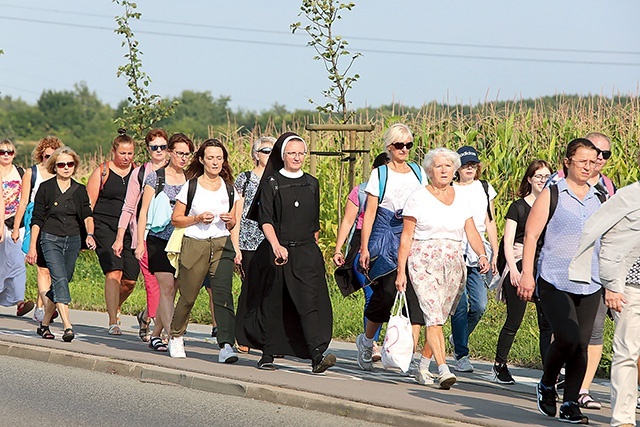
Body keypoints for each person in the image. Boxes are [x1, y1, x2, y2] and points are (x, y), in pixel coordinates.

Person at [518, 138, 603, 424]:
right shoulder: (552, 194)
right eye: (582, 161)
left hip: (590, 280)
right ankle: (547, 382)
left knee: (580, 344)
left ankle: (570, 403)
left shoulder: (598, 197)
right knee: (566, 335)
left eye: (592, 162)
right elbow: (531, 236)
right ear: (567, 162)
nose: (588, 167)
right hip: (555, 278)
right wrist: (527, 274)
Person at [242, 132, 336, 373]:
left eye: (300, 153)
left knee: (308, 302)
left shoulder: (312, 183)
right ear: (282, 156)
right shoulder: (272, 183)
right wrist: (275, 246)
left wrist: (313, 253)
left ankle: (316, 354)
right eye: (291, 153)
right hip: (278, 250)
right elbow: (266, 219)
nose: (297, 157)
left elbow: (313, 223)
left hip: (305, 252)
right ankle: (267, 354)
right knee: (275, 302)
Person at [396, 147, 489, 389]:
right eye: (439, 166)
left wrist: (482, 254)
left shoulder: (462, 197)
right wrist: (400, 271)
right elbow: (406, 237)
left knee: (439, 318)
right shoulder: (418, 197)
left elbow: (471, 230)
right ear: (429, 171)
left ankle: (423, 367)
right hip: (423, 261)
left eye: (449, 166)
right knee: (432, 317)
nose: (445, 170)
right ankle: (444, 367)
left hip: (454, 262)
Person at [568, 169, 640, 427]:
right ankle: (623, 419)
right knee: (627, 353)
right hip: (632, 288)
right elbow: (606, 237)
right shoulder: (630, 196)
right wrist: (611, 285)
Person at [356, 123, 427, 373]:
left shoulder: (418, 172)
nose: (404, 149)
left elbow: (425, 204)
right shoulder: (381, 174)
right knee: (385, 293)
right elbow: (371, 213)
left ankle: (408, 352)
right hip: (385, 235)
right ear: (390, 147)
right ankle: (367, 341)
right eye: (399, 145)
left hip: (412, 235)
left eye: (408, 145)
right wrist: (364, 247)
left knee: (415, 296)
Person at [169, 139, 239, 362]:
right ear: (201, 159)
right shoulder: (191, 186)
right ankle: (176, 336)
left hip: (221, 244)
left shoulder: (229, 189)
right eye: (210, 158)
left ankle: (226, 344)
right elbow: (176, 219)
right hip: (195, 243)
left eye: (219, 158)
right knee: (188, 295)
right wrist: (197, 218)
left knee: (223, 296)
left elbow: (233, 222)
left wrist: (230, 220)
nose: (215, 162)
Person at [492, 160, 553, 384]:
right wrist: (513, 272)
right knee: (514, 319)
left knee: (546, 322)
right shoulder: (518, 207)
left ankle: (550, 373)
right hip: (517, 260)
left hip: (543, 264)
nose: (542, 181)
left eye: (547, 176)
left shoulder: (550, 205)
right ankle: (500, 364)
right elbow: (507, 242)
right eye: (538, 176)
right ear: (529, 179)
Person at [26, 147, 96, 342]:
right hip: (50, 238)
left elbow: (87, 215)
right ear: (54, 166)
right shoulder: (46, 188)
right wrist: (32, 246)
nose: (66, 168)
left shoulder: (80, 190)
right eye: (61, 164)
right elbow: (37, 219)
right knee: (59, 279)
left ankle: (45, 324)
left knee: (61, 281)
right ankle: (67, 325)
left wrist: (90, 234)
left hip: (73, 240)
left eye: (70, 164)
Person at [135, 133, 193, 352]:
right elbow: (143, 213)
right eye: (179, 153)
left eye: (187, 154)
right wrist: (140, 242)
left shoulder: (190, 180)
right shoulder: (155, 178)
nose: (183, 158)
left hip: (181, 241)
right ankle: (173, 338)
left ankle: (156, 334)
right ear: (170, 152)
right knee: (166, 287)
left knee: (174, 289)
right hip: (158, 239)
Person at [112, 128, 168, 341]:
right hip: (144, 235)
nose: (159, 151)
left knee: (168, 285)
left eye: (163, 147)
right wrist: (120, 238)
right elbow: (129, 207)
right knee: (152, 282)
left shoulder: (176, 172)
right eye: (155, 147)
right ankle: (158, 329)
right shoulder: (141, 173)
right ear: (148, 149)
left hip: (172, 236)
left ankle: (146, 316)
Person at [332, 152, 389, 362]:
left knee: (384, 294)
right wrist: (339, 250)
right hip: (361, 245)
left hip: (388, 247)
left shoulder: (402, 193)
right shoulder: (362, 191)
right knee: (371, 293)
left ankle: (370, 337)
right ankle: (371, 342)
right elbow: (348, 221)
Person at [450, 145, 499, 373]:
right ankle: (461, 353)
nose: (469, 168)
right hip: (456, 249)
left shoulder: (485, 188)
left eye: (473, 164)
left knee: (479, 304)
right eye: (465, 164)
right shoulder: (450, 189)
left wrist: (495, 253)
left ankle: (457, 336)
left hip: (480, 251)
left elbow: (490, 222)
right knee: (459, 305)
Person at [87, 129, 140, 335]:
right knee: (114, 271)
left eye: (130, 153)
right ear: (114, 152)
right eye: (123, 153)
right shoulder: (102, 171)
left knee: (130, 278)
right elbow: (89, 205)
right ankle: (112, 320)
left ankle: (115, 305)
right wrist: (89, 233)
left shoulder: (138, 173)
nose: (126, 158)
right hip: (104, 226)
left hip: (128, 228)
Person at [11, 136, 64, 322]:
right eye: (46, 156)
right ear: (40, 155)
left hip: (56, 222)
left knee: (50, 268)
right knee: (43, 268)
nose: (48, 160)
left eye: (53, 157)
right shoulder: (31, 173)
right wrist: (16, 227)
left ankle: (42, 306)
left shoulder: (62, 172)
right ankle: (45, 307)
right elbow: (23, 201)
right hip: (36, 220)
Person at [231, 136, 276, 354]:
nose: (270, 154)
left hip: (272, 242)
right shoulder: (245, 179)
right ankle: (243, 335)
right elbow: (236, 215)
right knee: (250, 289)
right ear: (256, 154)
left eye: (273, 150)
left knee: (270, 291)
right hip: (248, 241)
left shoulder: (278, 179)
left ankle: (267, 337)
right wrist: (235, 246)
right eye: (266, 150)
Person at [0, 138, 34, 317]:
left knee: (16, 262)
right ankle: (17, 299)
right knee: (4, 263)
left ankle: (20, 301)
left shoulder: (19, 172)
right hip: (0, 223)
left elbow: (24, 199)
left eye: (10, 152)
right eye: (2, 152)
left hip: (15, 223)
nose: (6, 155)